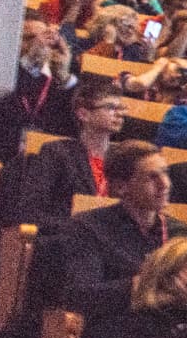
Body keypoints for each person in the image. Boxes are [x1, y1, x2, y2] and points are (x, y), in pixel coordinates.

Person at [59, 142, 187, 331]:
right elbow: (80, 295)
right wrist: (142, 286)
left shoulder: (180, 232)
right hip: (117, 332)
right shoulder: (88, 228)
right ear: (121, 188)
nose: (165, 184)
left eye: (165, 173)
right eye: (152, 177)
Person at [20, 79, 123, 228]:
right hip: (67, 239)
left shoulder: (124, 161)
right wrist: (77, 228)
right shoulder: (56, 153)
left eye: (121, 108)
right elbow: (31, 210)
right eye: (111, 107)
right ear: (83, 114)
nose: (119, 114)